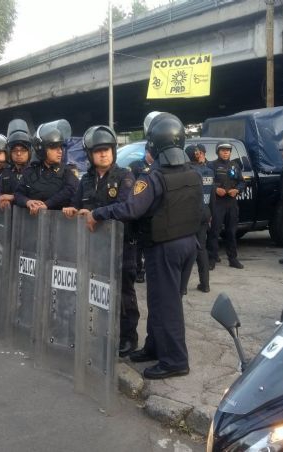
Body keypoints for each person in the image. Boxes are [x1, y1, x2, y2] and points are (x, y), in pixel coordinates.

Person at [80, 112, 201, 380]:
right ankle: (155, 347)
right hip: (188, 245)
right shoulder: (193, 173)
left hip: (164, 248)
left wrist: (98, 214)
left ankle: (175, 361)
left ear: (154, 145)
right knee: (162, 302)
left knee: (166, 305)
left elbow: (131, 208)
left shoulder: (152, 177)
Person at [63, 125, 139, 357]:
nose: (103, 154)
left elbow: (126, 208)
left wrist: (96, 213)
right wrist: (71, 209)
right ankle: (101, 332)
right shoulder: (85, 180)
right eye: (98, 151)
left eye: (107, 150)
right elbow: (78, 204)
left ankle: (128, 337)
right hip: (94, 247)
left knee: (123, 293)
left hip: (122, 246)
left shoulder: (125, 176)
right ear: (90, 155)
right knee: (98, 291)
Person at [15, 119, 77, 213]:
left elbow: (69, 191)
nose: (60, 151)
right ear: (42, 149)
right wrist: (27, 202)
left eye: (60, 147)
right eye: (54, 147)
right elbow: (18, 194)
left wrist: (47, 204)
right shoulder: (30, 172)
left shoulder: (67, 171)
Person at [207, 142, 245, 270]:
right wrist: (215, 189)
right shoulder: (211, 165)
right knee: (214, 231)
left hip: (231, 203)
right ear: (218, 152)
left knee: (231, 231)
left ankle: (233, 259)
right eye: (223, 150)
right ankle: (211, 259)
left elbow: (241, 183)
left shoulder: (234, 165)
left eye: (228, 150)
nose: (225, 152)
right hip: (217, 203)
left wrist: (237, 190)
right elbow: (206, 182)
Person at [181, 143, 213, 293]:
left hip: (190, 213)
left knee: (186, 249)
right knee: (201, 248)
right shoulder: (209, 171)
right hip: (205, 210)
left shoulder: (188, 172)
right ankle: (205, 284)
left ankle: (183, 287)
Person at [128, 148, 154, 284]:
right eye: (149, 152)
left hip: (152, 212)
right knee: (138, 245)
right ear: (146, 152)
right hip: (139, 209)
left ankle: (148, 269)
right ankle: (139, 271)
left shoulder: (158, 166)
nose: (152, 155)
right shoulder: (136, 166)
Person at [0, 119, 32, 210]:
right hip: (9, 218)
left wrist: (12, 197)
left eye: (23, 150)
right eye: (15, 150)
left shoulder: (35, 171)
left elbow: (38, 195)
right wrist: (0, 199)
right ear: (9, 153)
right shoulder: (6, 173)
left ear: (29, 152)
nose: (19, 154)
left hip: (30, 219)